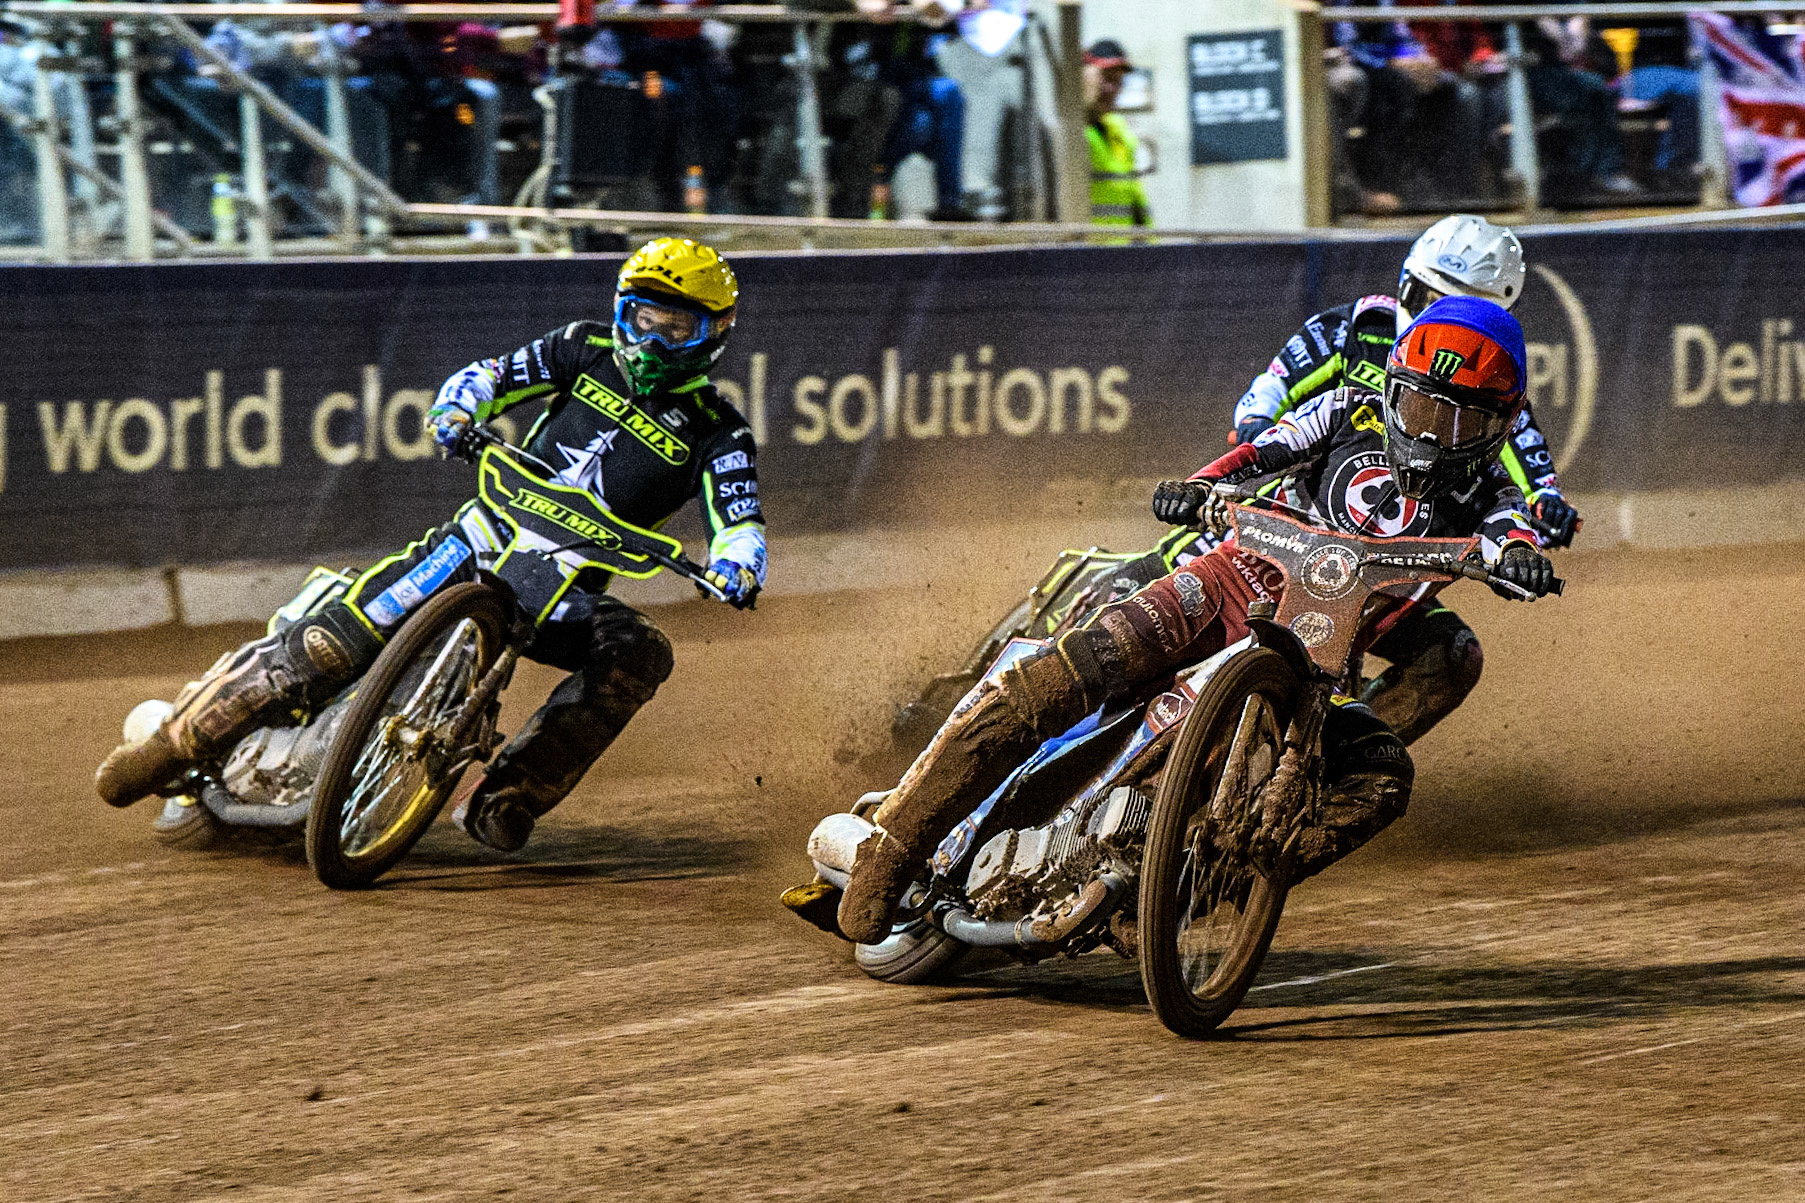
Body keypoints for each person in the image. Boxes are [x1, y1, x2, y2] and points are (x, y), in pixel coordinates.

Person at [833, 297, 1556, 943]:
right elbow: (1259, 451)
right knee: (1075, 665)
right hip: (1226, 582)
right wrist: (1202, 485)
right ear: (1392, 389)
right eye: (1420, 407)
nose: (1432, 434)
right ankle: (891, 850)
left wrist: (1520, 562)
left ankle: (1187, 892)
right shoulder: (1346, 409)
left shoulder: (1496, 496)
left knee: (1382, 776)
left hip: (1323, 660)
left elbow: (1514, 536)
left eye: (1459, 419)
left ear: (1499, 426)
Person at [96, 238, 767, 852]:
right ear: (622, 312)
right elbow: (491, 375)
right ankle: (172, 744)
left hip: (566, 595)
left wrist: (737, 566)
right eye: (643, 318)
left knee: (640, 649)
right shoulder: (580, 346)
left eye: (675, 327)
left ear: (713, 334)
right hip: (475, 542)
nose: (652, 340)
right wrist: (455, 410)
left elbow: (740, 518)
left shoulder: (720, 431)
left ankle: (509, 795)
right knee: (331, 642)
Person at [1230, 215, 1576, 744]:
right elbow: (1267, 393)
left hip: (1387, 564)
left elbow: (1525, 463)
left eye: (1469, 306)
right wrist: (1262, 434)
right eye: (1433, 297)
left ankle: (1343, 761)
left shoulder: (1491, 383)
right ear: (1408, 284)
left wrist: (1546, 502)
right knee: (1164, 581)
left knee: (1453, 654)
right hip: (1289, 520)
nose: (1447, 318)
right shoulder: (1357, 327)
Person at [1082, 39, 1149, 228]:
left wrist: (1149, 242)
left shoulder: (1120, 132)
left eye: (1117, 81)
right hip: (1085, 245)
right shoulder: (1070, 132)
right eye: (1105, 78)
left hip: (1124, 244)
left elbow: (1136, 199)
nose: (1111, 89)